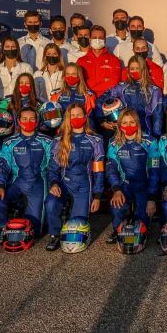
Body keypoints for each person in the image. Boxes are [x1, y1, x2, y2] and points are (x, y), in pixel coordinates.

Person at [44, 104, 104, 250]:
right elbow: (53, 168)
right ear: (67, 118)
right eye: (72, 115)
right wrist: (53, 184)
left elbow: (99, 171)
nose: (76, 118)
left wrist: (97, 195)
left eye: (79, 115)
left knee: (76, 228)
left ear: (85, 117)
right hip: (64, 183)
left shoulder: (95, 140)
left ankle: (69, 222)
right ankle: (54, 234)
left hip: (84, 186)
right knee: (51, 203)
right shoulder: (59, 140)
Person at [0, 107, 54, 236]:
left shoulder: (47, 141)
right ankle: (4, 228)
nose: (28, 121)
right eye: (24, 119)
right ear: (18, 121)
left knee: (36, 232)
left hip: (39, 184)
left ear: (37, 121)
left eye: (31, 119)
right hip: (17, 183)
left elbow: (53, 166)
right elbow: (3, 166)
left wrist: (54, 183)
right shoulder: (9, 142)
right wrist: (0, 186)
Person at [105, 109, 160, 242]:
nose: (128, 126)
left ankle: (139, 219)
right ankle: (117, 228)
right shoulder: (113, 143)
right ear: (119, 125)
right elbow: (111, 168)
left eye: (131, 122)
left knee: (144, 219)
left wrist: (152, 197)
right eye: (124, 123)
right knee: (117, 206)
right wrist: (116, 189)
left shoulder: (150, 142)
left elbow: (155, 171)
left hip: (144, 187)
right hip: (125, 186)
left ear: (137, 123)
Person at [101, 56, 163, 138]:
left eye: (137, 68)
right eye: (132, 68)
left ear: (143, 69)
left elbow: (157, 116)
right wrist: (102, 121)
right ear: (128, 70)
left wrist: (156, 137)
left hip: (144, 130)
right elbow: (102, 100)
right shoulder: (122, 87)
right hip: (124, 131)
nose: (134, 71)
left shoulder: (154, 90)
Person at [77, 25, 122, 98]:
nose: (97, 40)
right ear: (89, 39)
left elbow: (114, 82)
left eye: (100, 38)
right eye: (94, 38)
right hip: (88, 100)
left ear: (105, 40)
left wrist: (92, 87)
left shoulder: (114, 60)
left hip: (107, 100)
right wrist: (103, 82)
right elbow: (80, 82)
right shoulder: (81, 61)